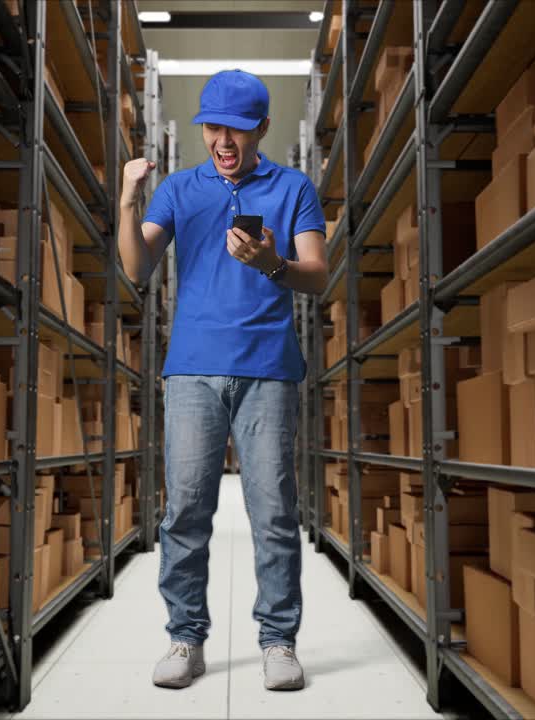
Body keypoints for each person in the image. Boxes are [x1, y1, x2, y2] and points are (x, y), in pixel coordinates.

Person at [118, 69, 328, 691]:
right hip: (190, 369)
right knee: (184, 509)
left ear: (261, 127)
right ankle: (185, 638)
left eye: (235, 128)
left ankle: (279, 641)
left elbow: (316, 274)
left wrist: (273, 264)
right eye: (212, 127)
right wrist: (129, 203)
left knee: (273, 511)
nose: (223, 140)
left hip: (268, 368)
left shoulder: (294, 188)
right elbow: (137, 267)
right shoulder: (181, 190)